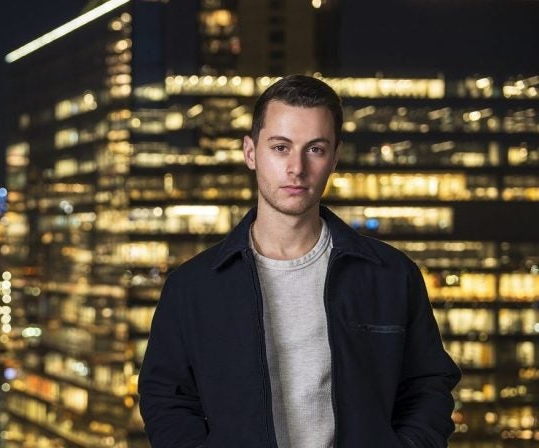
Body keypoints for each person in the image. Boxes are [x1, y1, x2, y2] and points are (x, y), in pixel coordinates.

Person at [138, 75, 461, 448]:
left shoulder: (391, 276)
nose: (297, 167)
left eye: (315, 149)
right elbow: (166, 400)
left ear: (334, 157)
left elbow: (427, 386)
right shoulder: (193, 287)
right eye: (280, 147)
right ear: (250, 152)